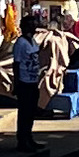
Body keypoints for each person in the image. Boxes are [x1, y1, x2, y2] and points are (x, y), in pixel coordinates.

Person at [11, 12, 49, 147]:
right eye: (31, 26)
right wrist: (16, 83)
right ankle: (22, 140)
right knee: (24, 112)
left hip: (33, 81)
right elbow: (16, 64)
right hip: (24, 82)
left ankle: (29, 137)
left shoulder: (33, 42)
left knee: (31, 111)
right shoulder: (20, 43)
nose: (34, 28)